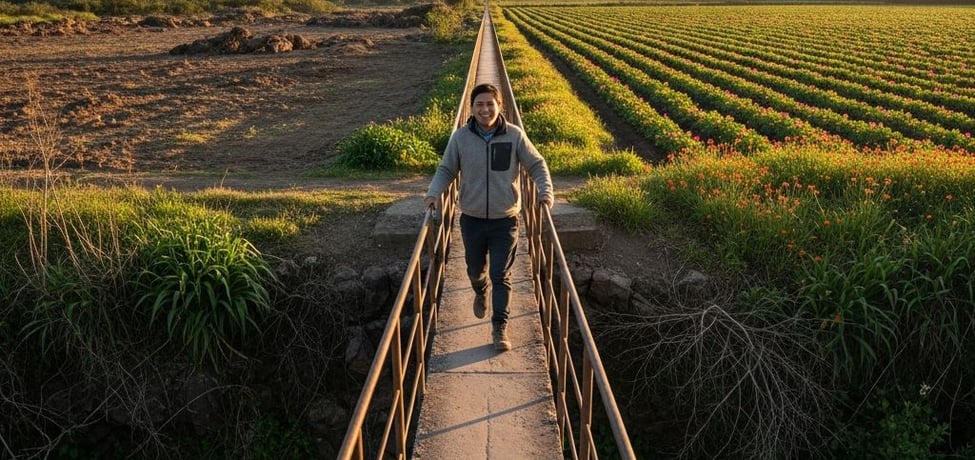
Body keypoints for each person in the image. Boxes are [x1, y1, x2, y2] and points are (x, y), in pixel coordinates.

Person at [424, 82, 554, 352]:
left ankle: (499, 327)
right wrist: (434, 193)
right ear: (471, 108)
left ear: (499, 106)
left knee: (501, 275)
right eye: (479, 104)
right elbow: (447, 168)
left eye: (490, 104)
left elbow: (537, 164)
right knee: (475, 270)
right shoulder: (460, 138)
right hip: (470, 218)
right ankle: (479, 290)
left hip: (505, 219)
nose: (485, 109)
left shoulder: (514, 136)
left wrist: (545, 192)